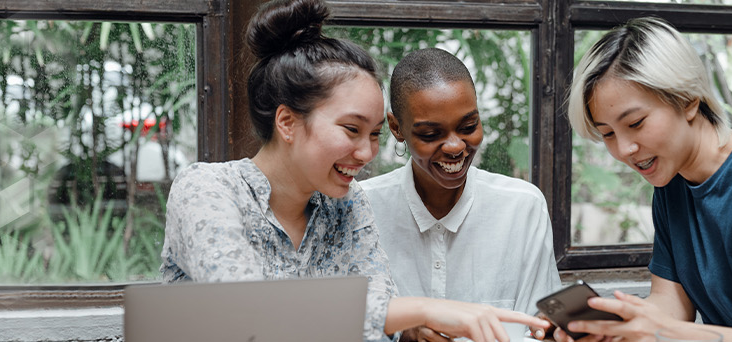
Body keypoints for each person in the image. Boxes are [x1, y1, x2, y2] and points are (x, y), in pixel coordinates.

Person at [158, 0, 549, 341]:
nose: (366, 153)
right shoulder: (208, 189)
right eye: (351, 129)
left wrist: (408, 322)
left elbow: (380, 315)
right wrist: (425, 310)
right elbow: (247, 311)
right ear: (288, 122)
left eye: (375, 134)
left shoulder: (346, 204)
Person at [555, 17, 732, 341]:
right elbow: (671, 304)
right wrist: (615, 326)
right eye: (607, 133)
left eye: (636, 123)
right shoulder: (672, 180)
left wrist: (663, 330)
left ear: (688, 100)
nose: (624, 149)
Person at [361, 48, 561, 342]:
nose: (455, 147)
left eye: (469, 127)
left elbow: (538, 328)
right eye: (430, 134)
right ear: (396, 127)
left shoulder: (522, 207)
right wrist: (405, 333)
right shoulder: (362, 208)